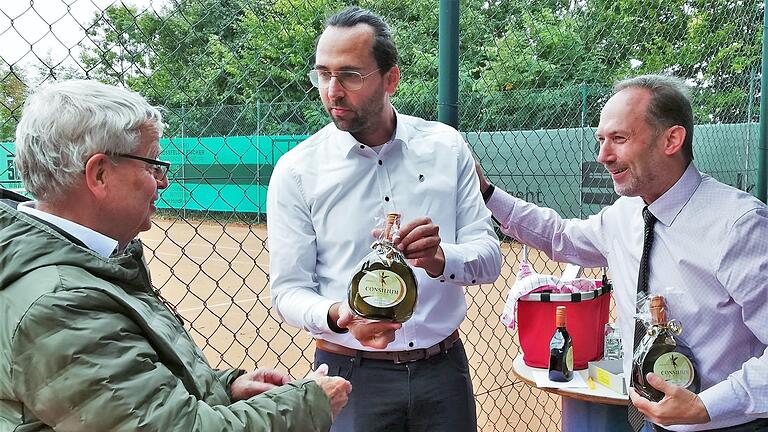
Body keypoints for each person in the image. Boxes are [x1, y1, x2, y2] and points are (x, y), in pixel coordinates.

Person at [0, 79, 351, 431]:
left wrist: (222, 389)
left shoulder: (90, 265)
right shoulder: (62, 304)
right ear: (100, 174)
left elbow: (134, 398)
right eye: (152, 164)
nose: (163, 181)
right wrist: (308, 403)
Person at [476, 74, 768, 431]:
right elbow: (561, 237)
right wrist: (488, 193)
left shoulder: (739, 224)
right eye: (601, 140)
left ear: (672, 139)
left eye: (618, 139)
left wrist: (707, 405)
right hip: (649, 422)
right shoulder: (625, 213)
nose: (602, 156)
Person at [266, 6, 501, 432]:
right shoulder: (297, 171)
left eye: (350, 75)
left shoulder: (446, 147)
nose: (332, 91)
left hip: (442, 371)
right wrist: (342, 314)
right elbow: (288, 291)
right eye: (323, 74)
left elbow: (489, 258)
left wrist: (440, 258)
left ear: (391, 78)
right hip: (348, 373)